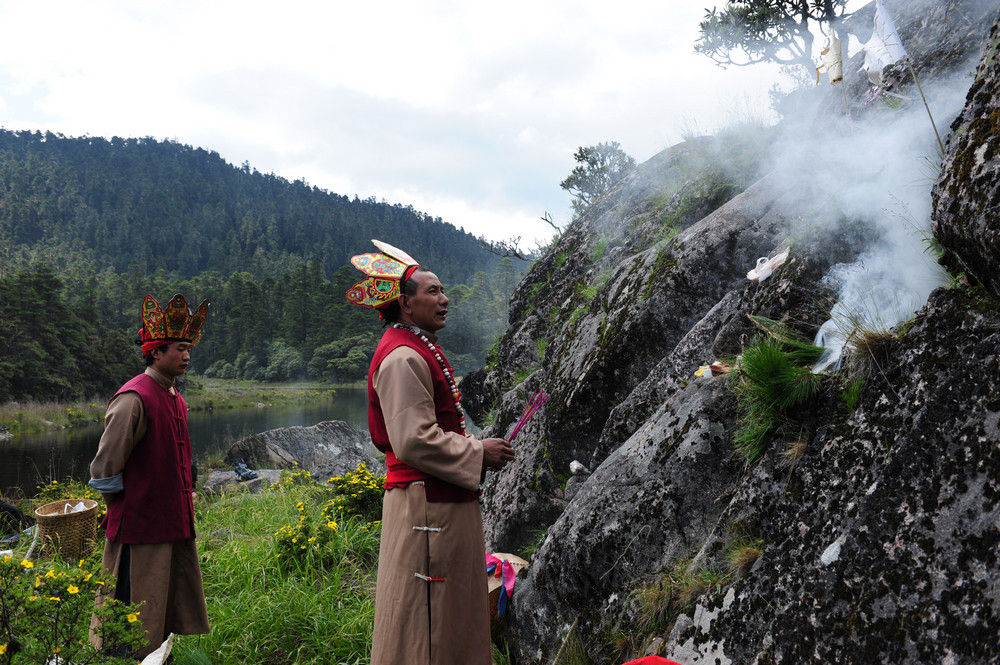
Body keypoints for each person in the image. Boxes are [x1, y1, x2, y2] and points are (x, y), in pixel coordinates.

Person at [346, 240, 515, 665]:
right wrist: (478, 451)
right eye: (433, 291)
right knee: (429, 617)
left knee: (448, 610)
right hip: (426, 510)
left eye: (442, 291)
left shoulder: (413, 346)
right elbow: (413, 439)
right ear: (405, 303)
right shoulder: (403, 357)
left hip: (437, 503)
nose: (445, 299)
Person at [88, 293, 211, 659]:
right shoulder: (133, 399)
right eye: (179, 348)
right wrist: (125, 508)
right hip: (140, 526)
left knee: (162, 598)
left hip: (172, 521)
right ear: (155, 352)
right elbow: (105, 469)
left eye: (189, 348)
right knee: (133, 602)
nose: (187, 354)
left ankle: (159, 653)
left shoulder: (175, 396)